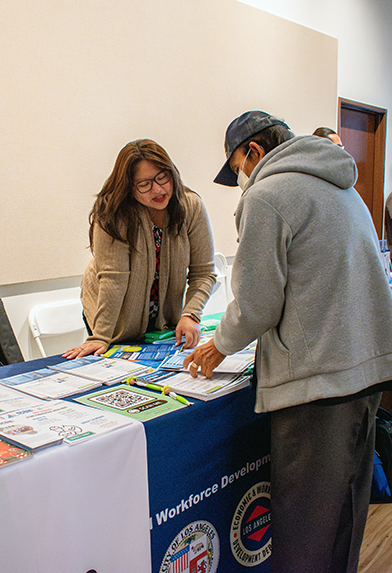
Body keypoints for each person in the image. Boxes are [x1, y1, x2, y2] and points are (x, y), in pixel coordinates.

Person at [185, 110, 392, 573]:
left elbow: (257, 301)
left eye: (237, 164)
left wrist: (217, 345)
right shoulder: (342, 185)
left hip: (318, 382)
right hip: (367, 370)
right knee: (346, 515)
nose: (240, 177)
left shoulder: (268, 194)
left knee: (304, 528)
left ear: (254, 151)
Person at [63, 139, 216, 359]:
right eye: (144, 184)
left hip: (162, 323)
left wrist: (191, 314)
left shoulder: (190, 206)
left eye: (162, 177)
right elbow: (113, 280)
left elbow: (203, 273)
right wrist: (100, 337)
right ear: (128, 187)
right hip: (114, 319)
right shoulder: (114, 214)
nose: (158, 189)